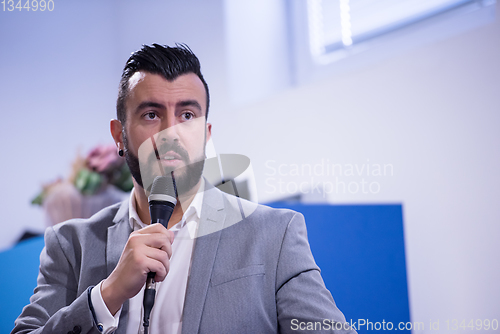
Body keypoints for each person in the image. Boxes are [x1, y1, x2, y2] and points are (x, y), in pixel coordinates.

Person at [12, 44, 356, 334]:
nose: (170, 133)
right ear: (119, 135)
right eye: (151, 114)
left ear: (206, 135)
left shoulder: (274, 235)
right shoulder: (71, 245)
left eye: (187, 115)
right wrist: (107, 294)